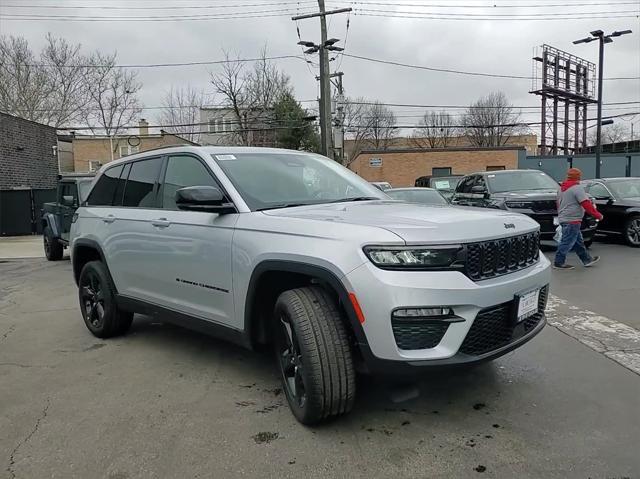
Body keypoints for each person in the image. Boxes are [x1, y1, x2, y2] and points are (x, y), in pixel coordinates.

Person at [553, 168, 603, 270]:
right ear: (578, 177)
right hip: (572, 220)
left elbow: (558, 204)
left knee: (577, 242)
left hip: (564, 218)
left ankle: (587, 259)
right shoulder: (577, 188)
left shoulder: (561, 189)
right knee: (567, 242)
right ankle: (558, 262)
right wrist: (598, 215)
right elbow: (586, 204)